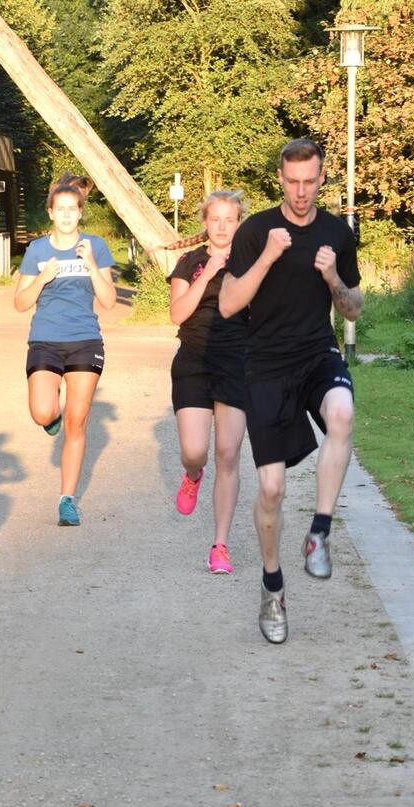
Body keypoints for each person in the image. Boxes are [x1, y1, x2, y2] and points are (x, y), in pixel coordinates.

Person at [218, 138, 361, 644]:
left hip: (316, 352)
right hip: (266, 366)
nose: (301, 192)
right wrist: (268, 258)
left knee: (342, 413)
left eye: (310, 182)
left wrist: (333, 275)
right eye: (292, 182)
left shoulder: (337, 232)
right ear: (280, 179)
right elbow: (229, 305)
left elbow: (353, 308)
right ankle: (273, 587)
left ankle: (319, 532)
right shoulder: (256, 231)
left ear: (322, 179)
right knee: (272, 490)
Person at [14, 174, 118, 526]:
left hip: (85, 340)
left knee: (77, 421)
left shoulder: (95, 246)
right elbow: (20, 303)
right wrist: (43, 278)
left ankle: (67, 500)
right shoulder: (38, 250)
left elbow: (109, 301)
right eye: (60, 209)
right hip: (45, 339)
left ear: (80, 212)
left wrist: (91, 265)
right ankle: (51, 418)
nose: (67, 215)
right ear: (50, 212)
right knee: (42, 412)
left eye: (72, 209)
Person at [167, 190, 250, 574]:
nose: (221, 226)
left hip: (237, 364)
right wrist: (211, 272)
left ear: (239, 223)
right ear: (205, 222)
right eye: (215, 219)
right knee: (195, 451)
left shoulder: (252, 263)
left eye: (229, 219)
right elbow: (177, 314)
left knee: (229, 455)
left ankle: (220, 545)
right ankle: (193, 475)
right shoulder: (189, 263)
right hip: (194, 362)